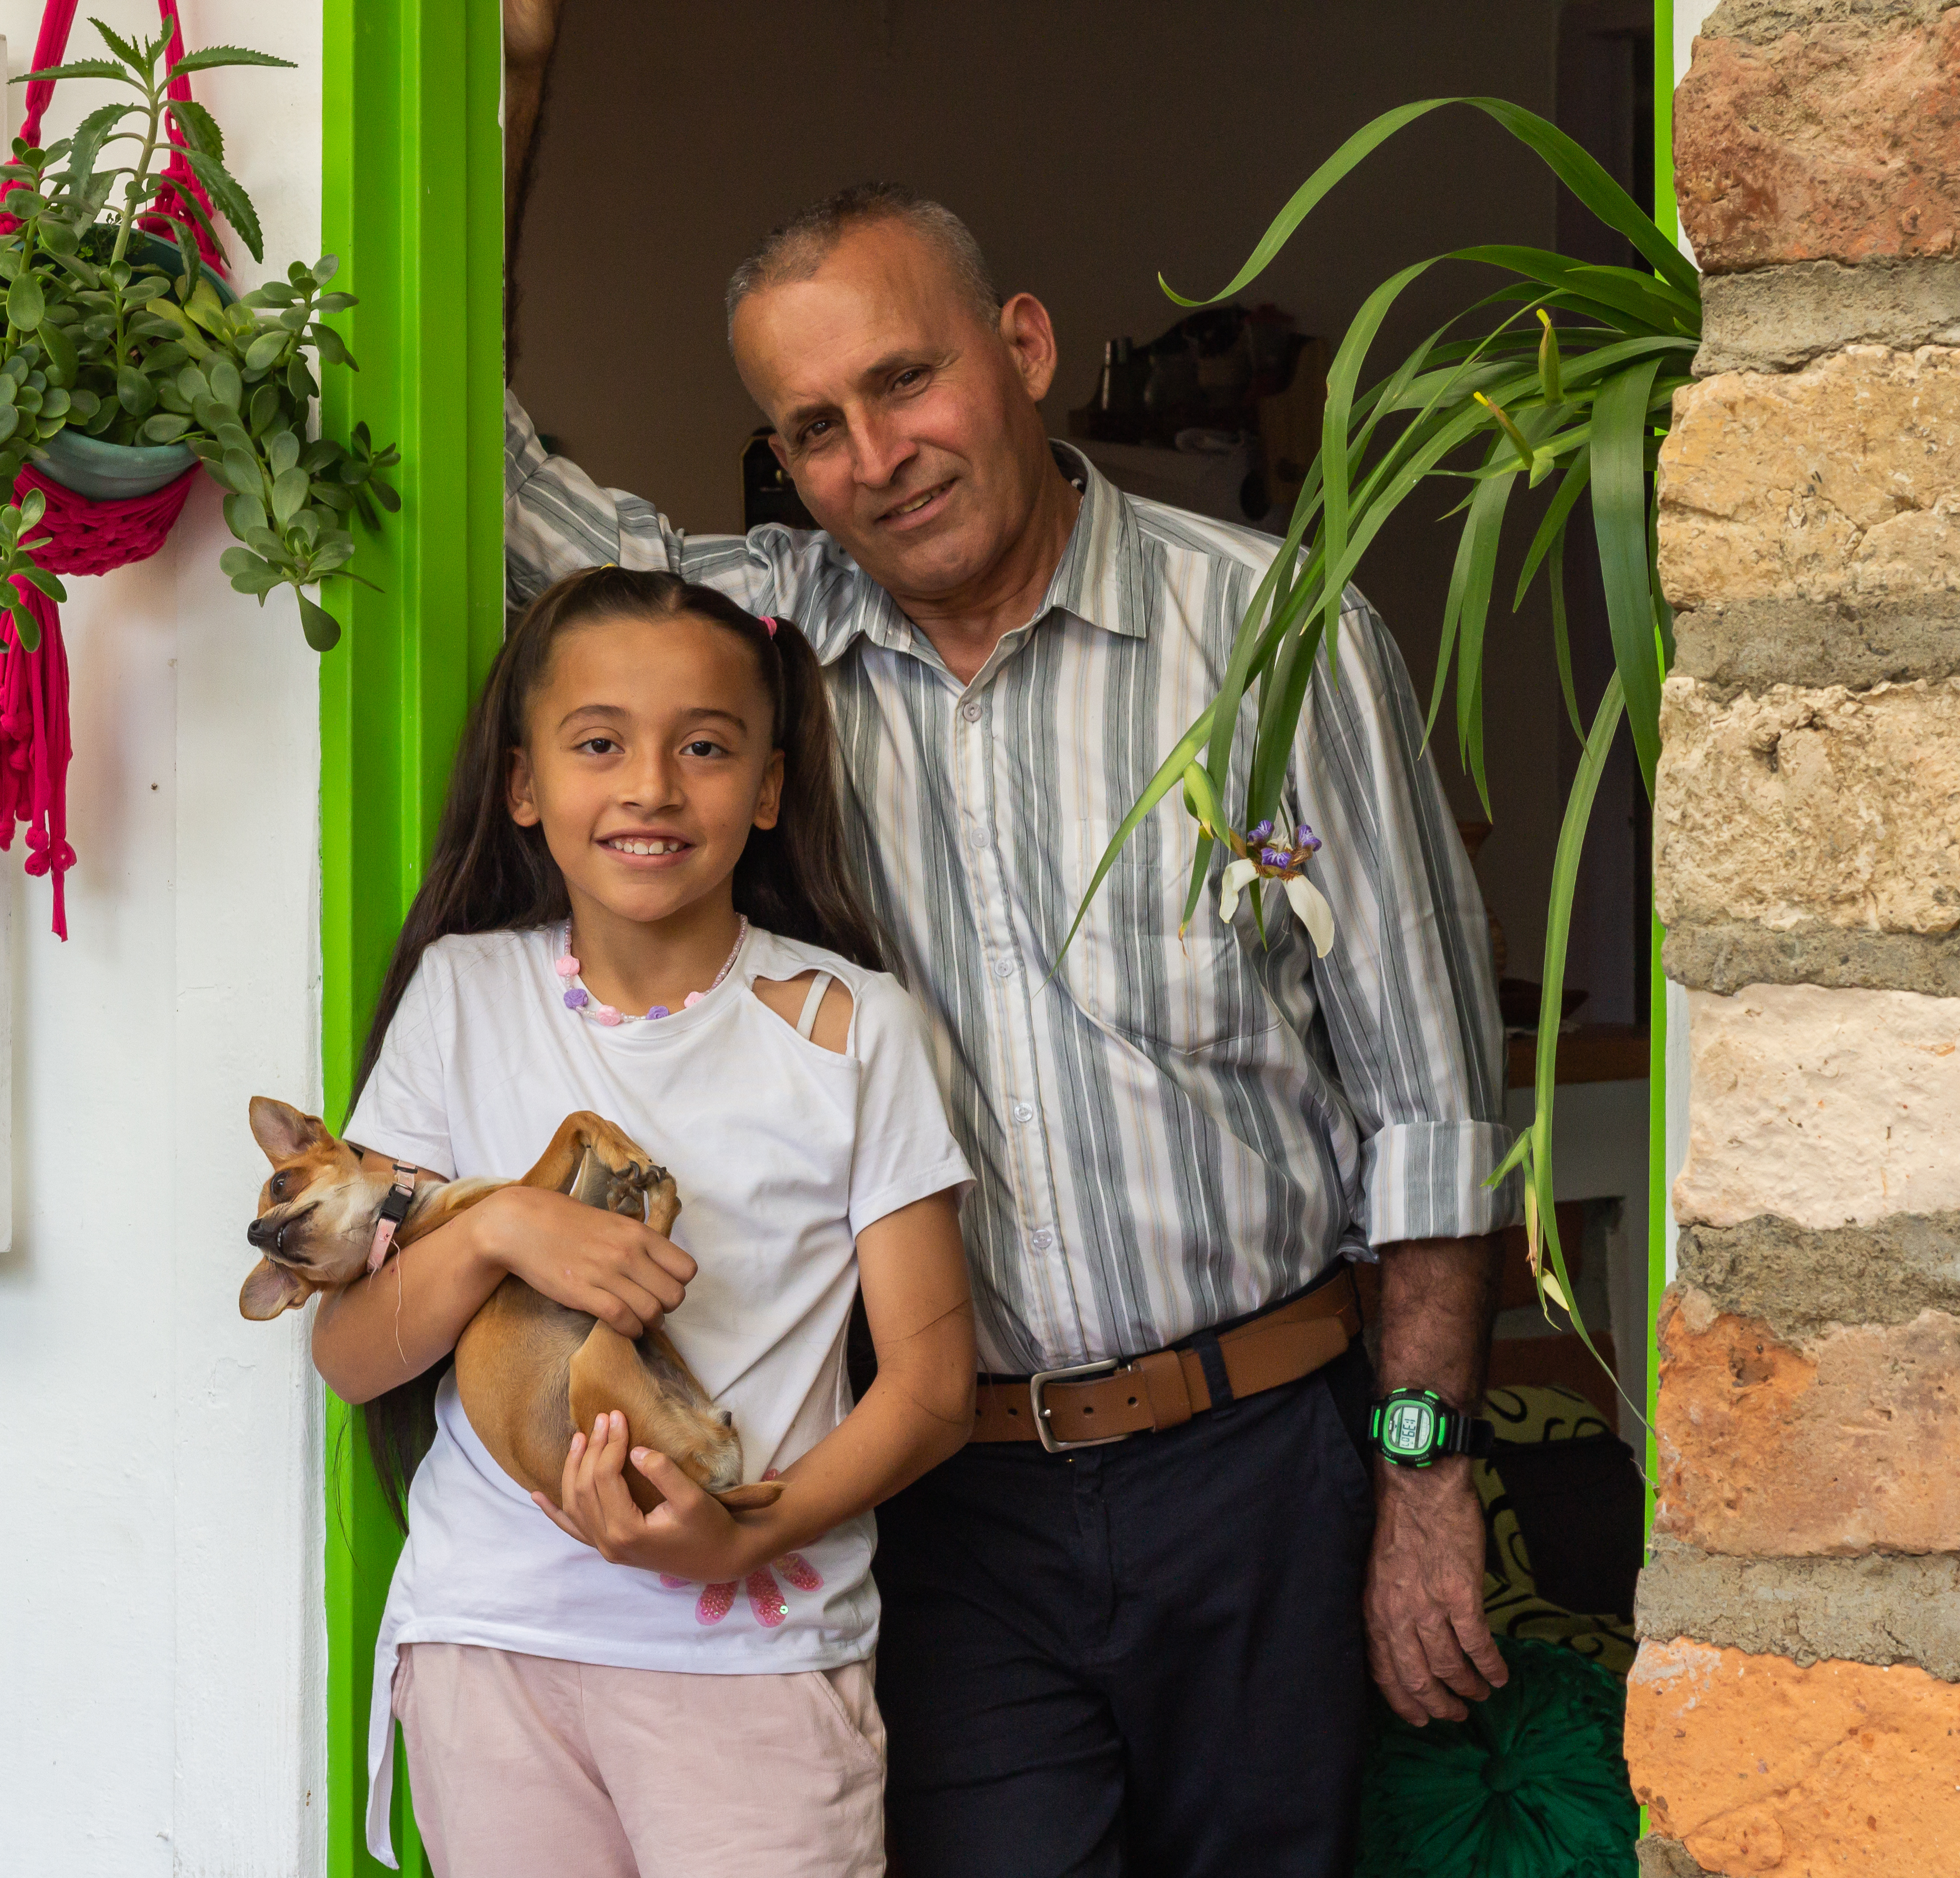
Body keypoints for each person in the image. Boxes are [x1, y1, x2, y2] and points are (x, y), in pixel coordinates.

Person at [496, 12, 1518, 1877]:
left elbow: (1429, 1100)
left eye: (907, 380)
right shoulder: (759, 661)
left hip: (1254, 1463)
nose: (876, 455)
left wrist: (1422, 1471)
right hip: (942, 1494)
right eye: (813, 427)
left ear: (1021, 347)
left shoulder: (1268, 637)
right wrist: (508, 97)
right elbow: (502, 496)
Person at [313, 565, 980, 1878]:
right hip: (492, 1642)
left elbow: (933, 1387)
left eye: (707, 747)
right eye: (599, 742)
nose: (651, 788)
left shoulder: (854, 1029)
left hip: (751, 1658)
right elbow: (349, 1354)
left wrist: (745, 1531)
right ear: (524, 784)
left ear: (772, 788)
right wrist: (503, 1227)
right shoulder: (463, 994)